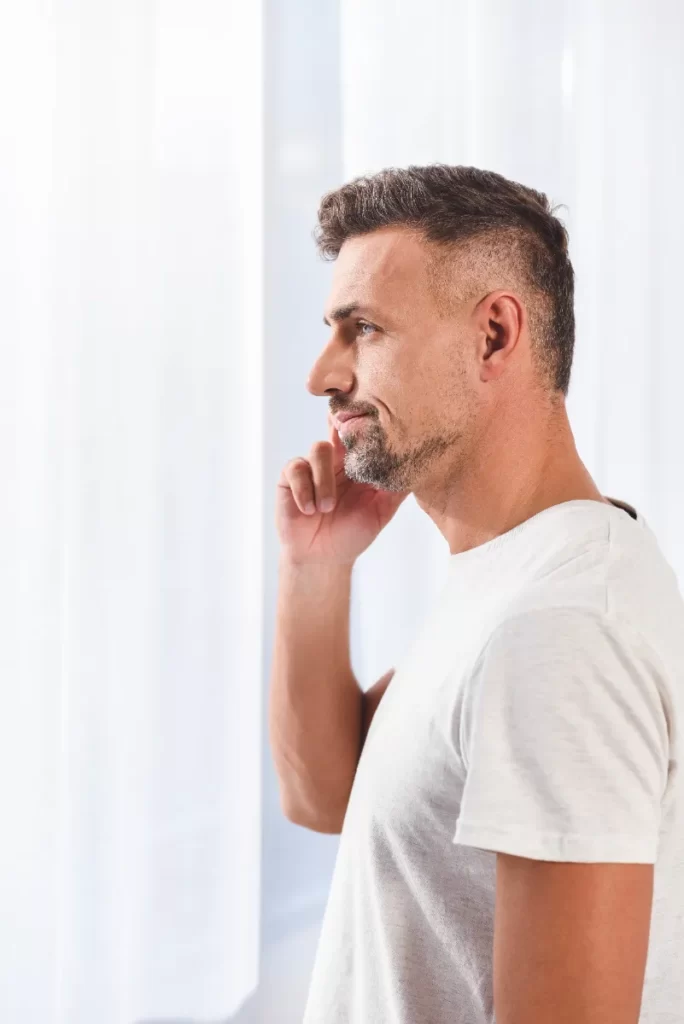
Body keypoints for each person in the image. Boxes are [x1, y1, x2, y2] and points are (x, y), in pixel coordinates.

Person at [269, 164, 684, 1023]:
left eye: (365, 329)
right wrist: (318, 567)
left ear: (494, 335)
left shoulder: (561, 628)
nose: (321, 375)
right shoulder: (514, 579)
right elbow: (328, 796)